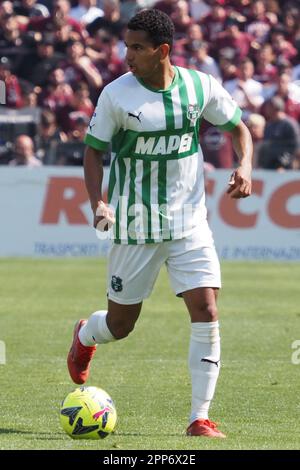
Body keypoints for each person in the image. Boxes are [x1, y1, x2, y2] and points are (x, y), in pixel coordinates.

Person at [67, 8, 253, 438]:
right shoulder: (116, 95)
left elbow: (239, 128)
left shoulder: (199, 86)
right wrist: (99, 202)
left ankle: (199, 418)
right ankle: (86, 333)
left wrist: (244, 166)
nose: (126, 55)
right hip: (135, 226)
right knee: (121, 326)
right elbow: (93, 151)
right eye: (125, 45)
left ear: (162, 51)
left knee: (206, 309)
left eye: (136, 48)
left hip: (190, 223)